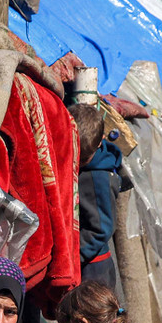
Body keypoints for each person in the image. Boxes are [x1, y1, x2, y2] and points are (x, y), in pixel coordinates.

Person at [70, 103, 125, 292]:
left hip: (92, 266)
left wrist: (72, 257)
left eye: (83, 158)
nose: (77, 162)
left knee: (91, 316)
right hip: (86, 260)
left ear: (100, 141)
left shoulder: (99, 178)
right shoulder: (87, 169)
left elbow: (101, 228)